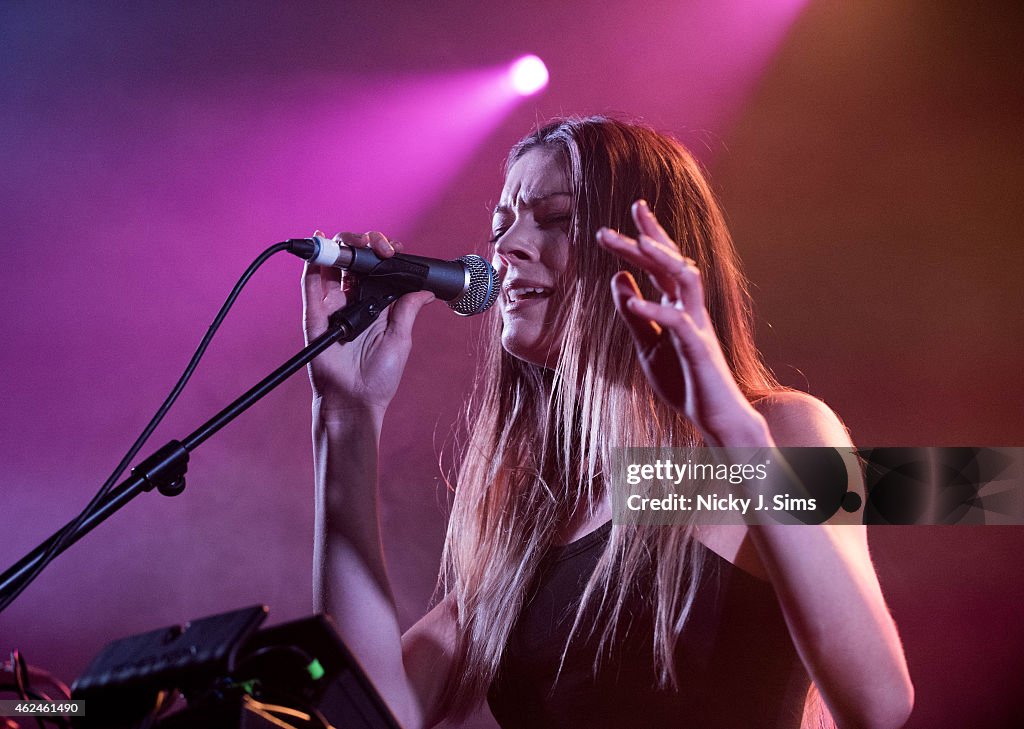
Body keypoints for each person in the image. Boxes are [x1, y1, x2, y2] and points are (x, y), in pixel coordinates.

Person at [301, 116, 913, 729]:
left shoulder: (782, 430)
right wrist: (346, 415)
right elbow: (371, 714)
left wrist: (730, 425)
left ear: (647, 249)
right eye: (501, 225)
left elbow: (879, 706)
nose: (507, 246)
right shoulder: (540, 508)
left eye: (558, 218)